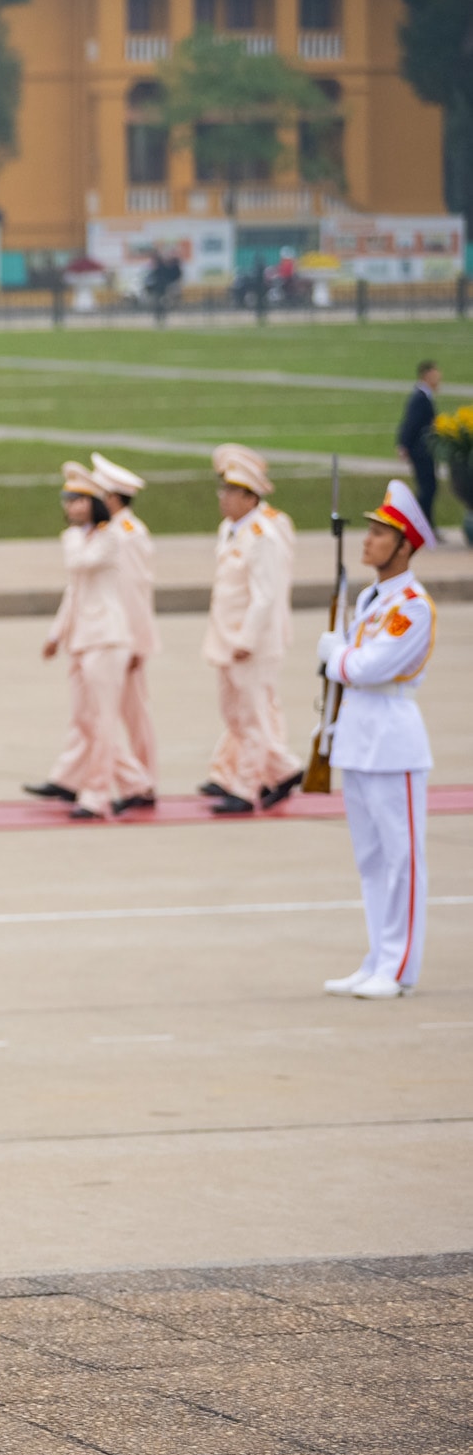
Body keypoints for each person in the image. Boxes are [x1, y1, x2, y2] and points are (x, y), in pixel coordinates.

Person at [318, 481, 436, 1000]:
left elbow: (370, 667)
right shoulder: (372, 597)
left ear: (404, 546)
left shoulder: (413, 606)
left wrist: (335, 656)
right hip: (358, 736)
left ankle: (399, 965)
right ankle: (376, 958)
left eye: (379, 534)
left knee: (401, 859)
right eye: (368, 531)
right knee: (371, 860)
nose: (367, 541)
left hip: (392, 740)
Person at [26, 464, 149, 820]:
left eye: (79, 500)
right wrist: (55, 635)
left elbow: (80, 562)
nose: (72, 506)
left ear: (95, 504)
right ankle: (136, 783)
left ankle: (95, 796)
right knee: (85, 720)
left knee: (102, 720)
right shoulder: (82, 537)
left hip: (107, 638)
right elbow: (74, 592)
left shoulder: (110, 537)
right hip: (82, 638)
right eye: (68, 499)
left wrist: (72, 536)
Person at [202, 445, 304, 814]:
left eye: (231, 491)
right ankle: (285, 769)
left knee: (252, 716)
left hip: (252, 643)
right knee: (235, 715)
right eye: (223, 490)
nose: (223, 497)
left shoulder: (263, 535)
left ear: (250, 497)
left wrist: (247, 639)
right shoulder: (232, 530)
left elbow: (266, 596)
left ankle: (245, 789)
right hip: (226, 639)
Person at [91, 454, 160, 810]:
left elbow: (134, 592)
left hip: (126, 638)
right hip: (116, 635)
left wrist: (136, 643)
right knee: (117, 713)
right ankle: (140, 781)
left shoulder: (127, 535)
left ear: (112, 499)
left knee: (134, 715)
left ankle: (144, 783)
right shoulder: (115, 531)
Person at [397, 360, 441, 540]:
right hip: (421, 451)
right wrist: (403, 445)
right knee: (427, 488)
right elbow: (411, 423)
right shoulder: (420, 397)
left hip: (424, 450)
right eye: (436, 373)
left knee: (429, 487)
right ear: (427, 375)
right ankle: (421, 526)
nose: (439, 377)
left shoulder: (424, 395)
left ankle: (424, 526)